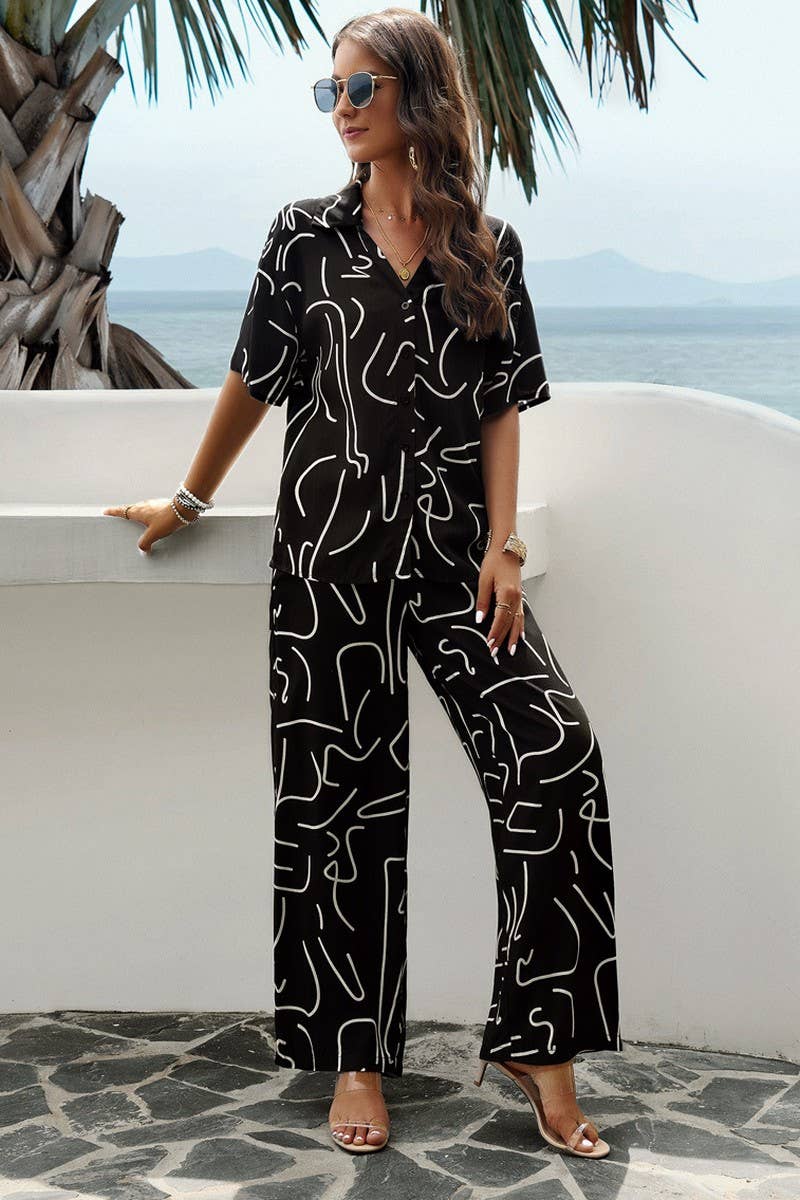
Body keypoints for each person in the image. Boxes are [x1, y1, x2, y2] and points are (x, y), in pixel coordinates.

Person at [104, 6, 623, 1163]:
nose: (338, 110)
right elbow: (254, 379)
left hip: (452, 562)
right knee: (337, 808)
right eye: (327, 92)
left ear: (414, 95)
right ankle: (354, 1057)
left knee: (554, 751)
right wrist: (185, 497)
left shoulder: (485, 246)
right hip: (328, 558)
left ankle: (541, 1043)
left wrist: (501, 544)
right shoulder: (302, 237)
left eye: (356, 89)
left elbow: (500, 403)